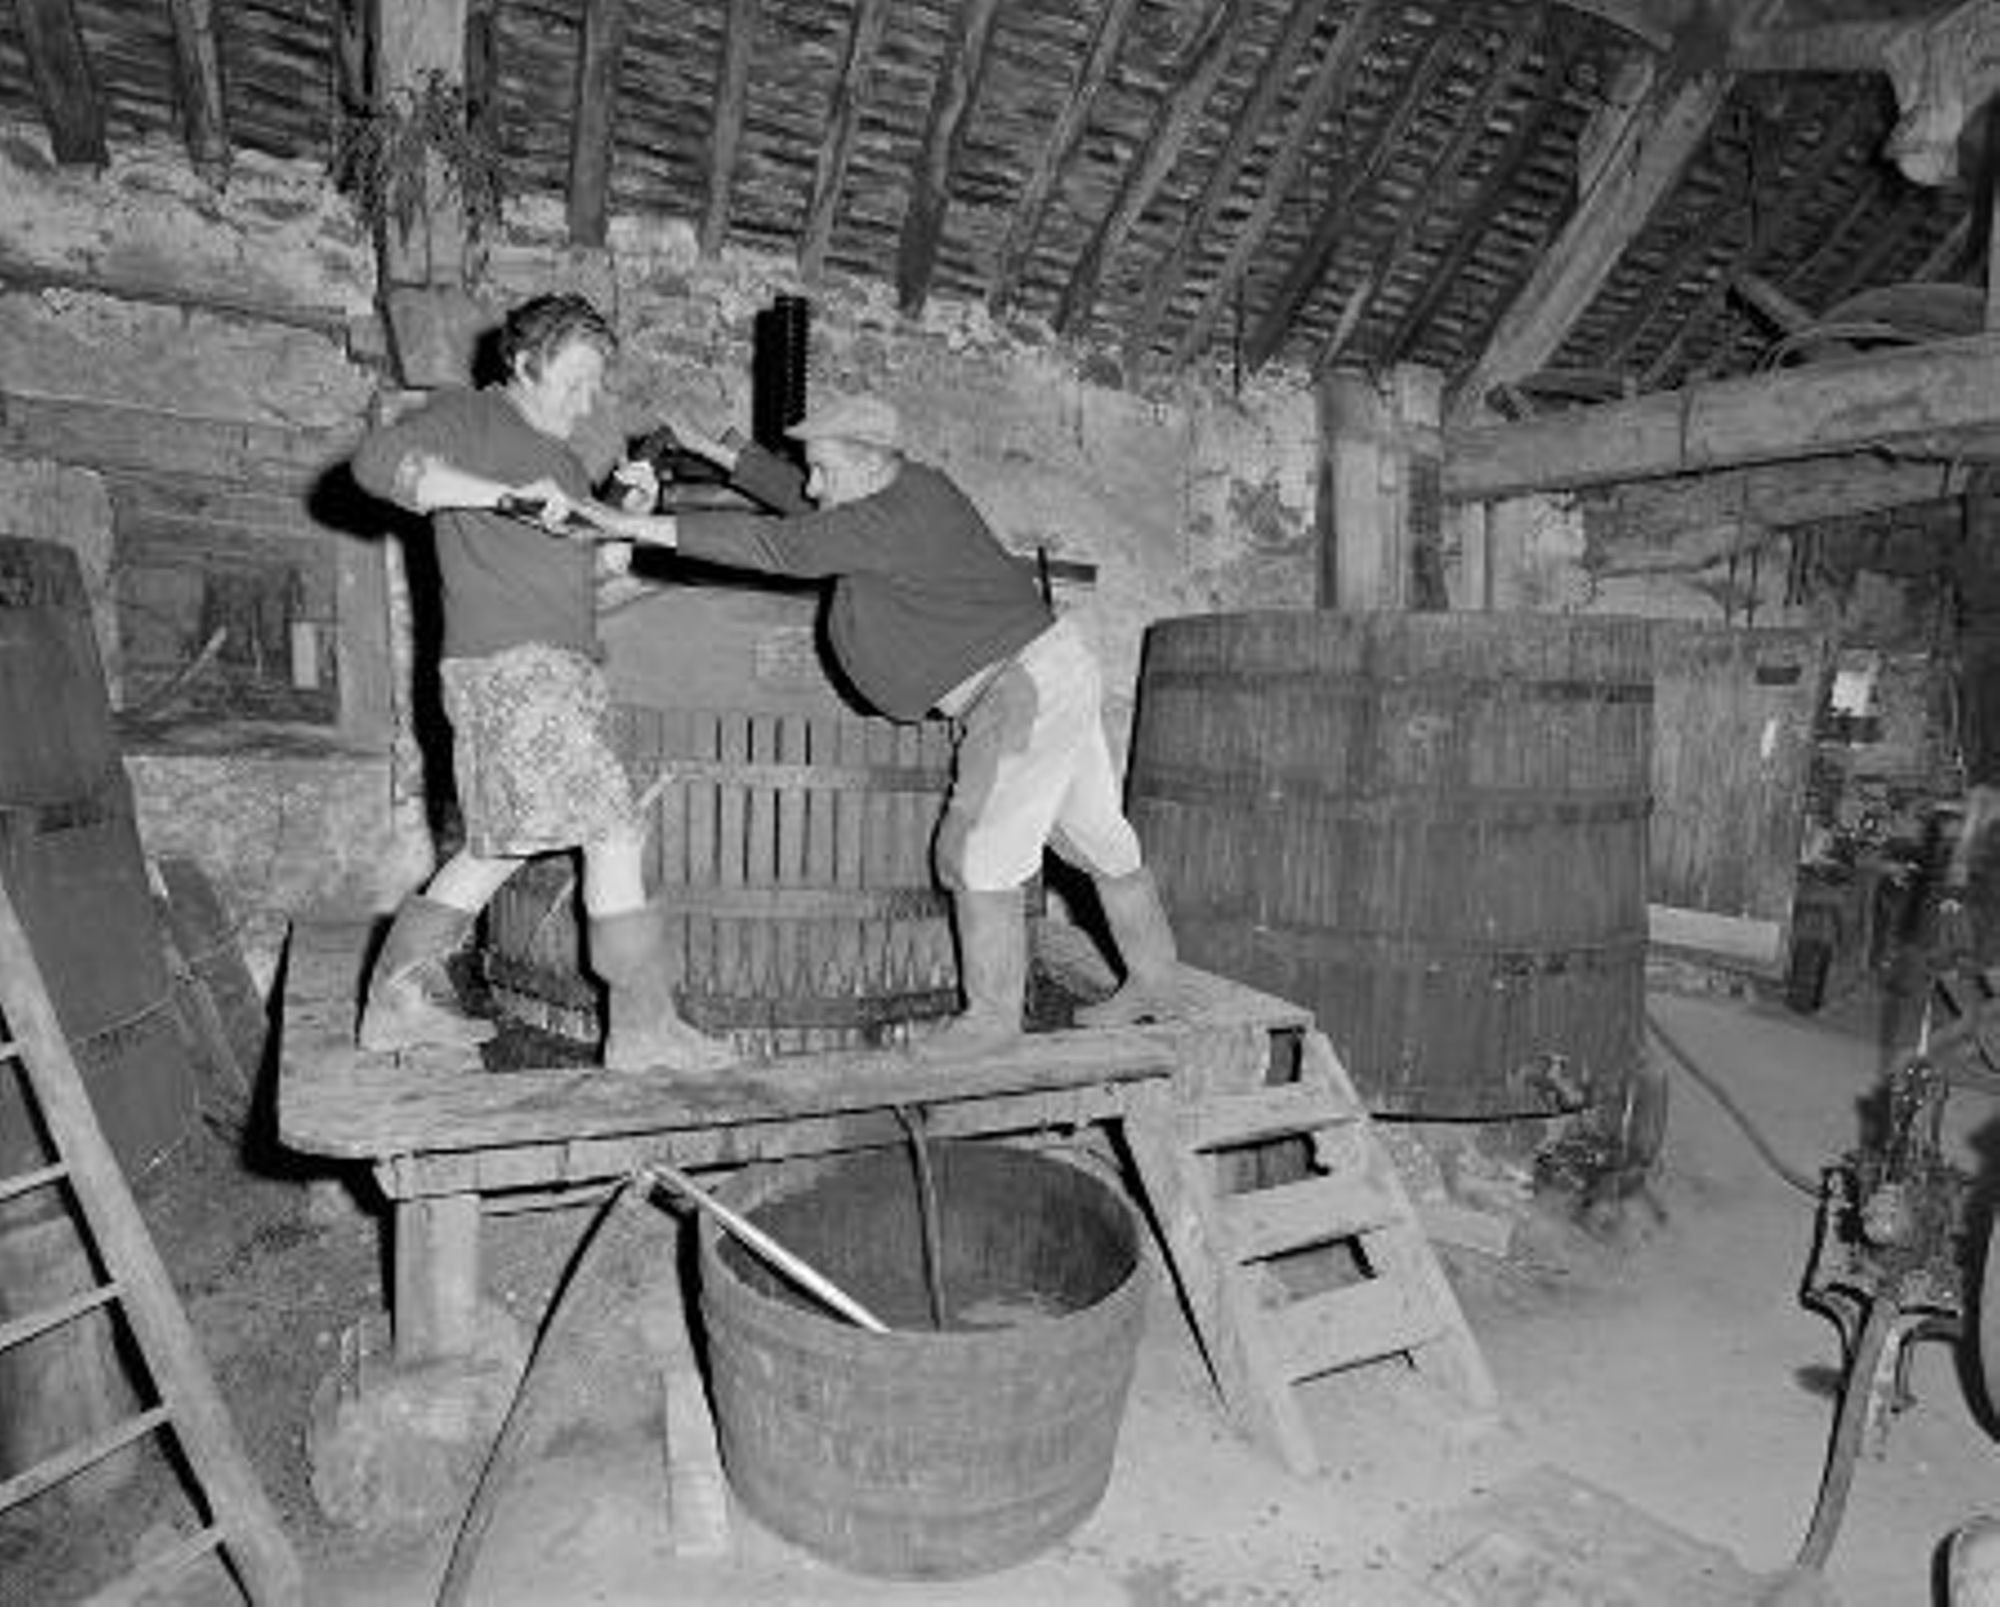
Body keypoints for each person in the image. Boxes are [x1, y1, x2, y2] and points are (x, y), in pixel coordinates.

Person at [587, 391, 1200, 1059]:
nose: (813, 483)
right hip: (1053, 666)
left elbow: (777, 543)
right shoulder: (904, 487)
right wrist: (715, 448)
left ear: (863, 464)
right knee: (1097, 835)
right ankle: (1157, 980)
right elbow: (805, 502)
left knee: (978, 854)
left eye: (823, 468)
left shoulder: (889, 519)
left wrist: (632, 526)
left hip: (1020, 689)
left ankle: (992, 1023)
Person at [348, 292, 736, 1074]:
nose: (589, 400)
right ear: (524, 364)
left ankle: (395, 1001)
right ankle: (642, 1027)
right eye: (577, 379)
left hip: (565, 671)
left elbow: (585, 578)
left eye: (598, 384)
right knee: (615, 831)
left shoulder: (561, 463)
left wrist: (622, 519)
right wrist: (507, 495)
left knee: (505, 842)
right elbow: (376, 465)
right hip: (509, 668)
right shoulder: (471, 418)